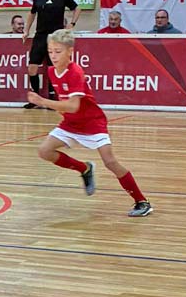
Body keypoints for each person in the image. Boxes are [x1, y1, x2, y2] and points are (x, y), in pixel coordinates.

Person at [28, 29, 152, 218]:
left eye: (58, 51)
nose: (53, 56)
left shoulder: (75, 71)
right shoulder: (52, 71)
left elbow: (73, 106)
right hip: (71, 123)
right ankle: (84, 169)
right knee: (44, 151)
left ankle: (141, 201)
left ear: (70, 51)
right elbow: (66, 105)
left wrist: (43, 102)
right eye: (50, 51)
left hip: (93, 123)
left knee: (110, 162)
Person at [24, 0, 78, 106]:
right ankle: (35, 98)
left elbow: (77, 8)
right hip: (40, 36)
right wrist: (26, 30)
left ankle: (52, 98)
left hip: (56, 37)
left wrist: (72, 24)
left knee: (52, 68)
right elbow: (32, 13)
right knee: (32, 68)